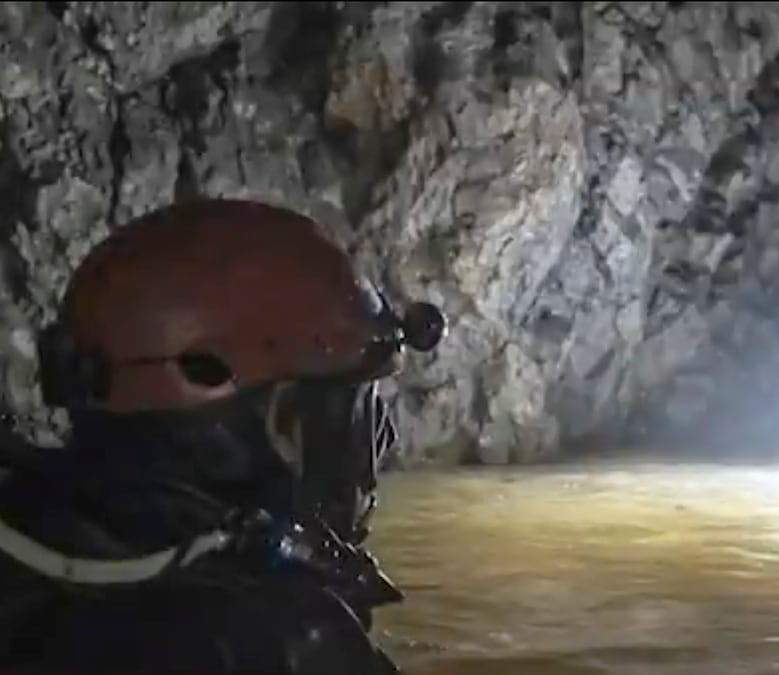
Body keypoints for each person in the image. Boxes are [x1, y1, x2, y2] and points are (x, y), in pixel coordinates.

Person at [0, 198, 446, 673]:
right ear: (275, 422)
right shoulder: (273, 645)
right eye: (352, 406)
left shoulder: (34, 548)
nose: (384, 437)